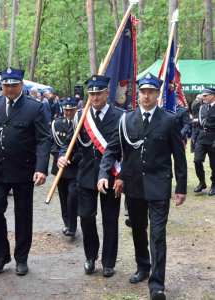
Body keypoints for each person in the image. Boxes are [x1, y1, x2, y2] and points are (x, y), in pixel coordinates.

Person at [98, 72, 187, 300]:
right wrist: (105, 173)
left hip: (159, 185)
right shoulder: (126, 119)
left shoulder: (169, 119)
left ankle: (157, 285)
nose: (146, 96)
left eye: (150, 92)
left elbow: (179, 155)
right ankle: (143, 266)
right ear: (138, 94)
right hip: (134, 185)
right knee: (138, 229)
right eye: (143, 92)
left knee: (157, 234)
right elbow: (113, 150)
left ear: (158, 95)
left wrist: (181, 187)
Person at [0, 67, 50, 276]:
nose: (9, 88)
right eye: (6, 85)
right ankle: (1, 255)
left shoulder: (34, 107)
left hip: (24, 170)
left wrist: (41, 169)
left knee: (23, 215)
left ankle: (21, 258)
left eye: (14, 84)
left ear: (21, 85)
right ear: (1, 86)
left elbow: (43, 139)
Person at [58, 75, 123, 278]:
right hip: (85, 175)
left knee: (110, 220)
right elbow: (68, 143)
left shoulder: (120, 116)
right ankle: (90, 257)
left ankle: (109, 262)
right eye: (91, 94)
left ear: (107, 93)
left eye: (98, 93)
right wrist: (62, 156)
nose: (94, 97)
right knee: (86, 217)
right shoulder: (80, 116)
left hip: (111, 175)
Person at [51, 96, 81, 236]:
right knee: (63, 197)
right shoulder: (56, 124)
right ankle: (67, 222)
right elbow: (51, 143)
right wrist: (60, 157)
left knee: (73, 196)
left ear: (77, 108)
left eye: (72, 109)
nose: (69, 112)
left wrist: (73, 157)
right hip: (60, 166)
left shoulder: (81, 123)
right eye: (66, 109)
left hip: (75, 165)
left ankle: (72, 225)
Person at [192, 87, 215, 196]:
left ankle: (214, 185)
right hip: (201, 137)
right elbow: (198, 124)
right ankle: (202, 182)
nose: (203, 97)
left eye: (206, 96)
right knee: (197, 161)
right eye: (203, 96)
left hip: (213, 138)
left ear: (212, 96)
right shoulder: (202, 107)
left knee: (214, 164)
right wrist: (194, 137)